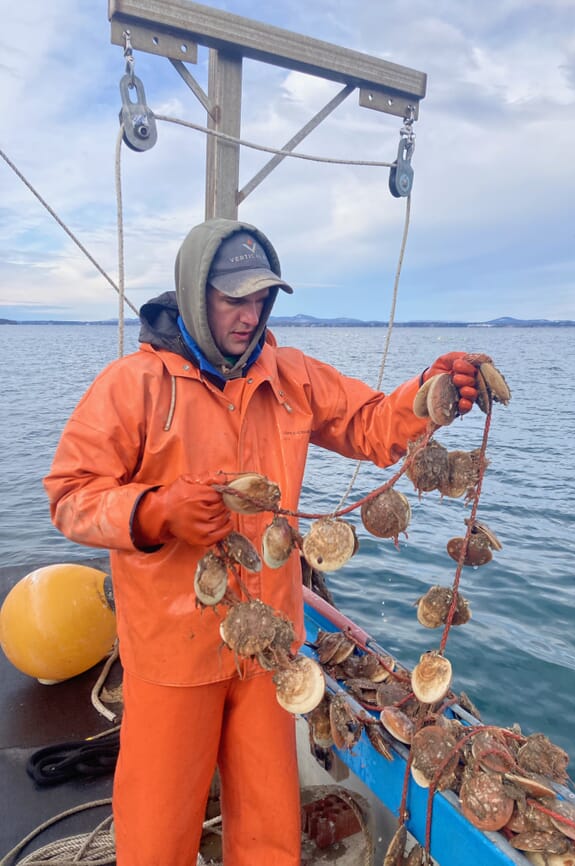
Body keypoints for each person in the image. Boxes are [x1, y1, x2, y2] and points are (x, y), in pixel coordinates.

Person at [44, 217, 482, 866]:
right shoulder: (132, 387)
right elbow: (69, 495)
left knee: (271, 831)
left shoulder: (290, 376)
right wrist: (155, 511)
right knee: (156, 838)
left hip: (269, 655)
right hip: (173, 658)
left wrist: (427, 394)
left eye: (260, 300)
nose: (249, 316)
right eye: (232, 299)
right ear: (196, 293)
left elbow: (368, 424)